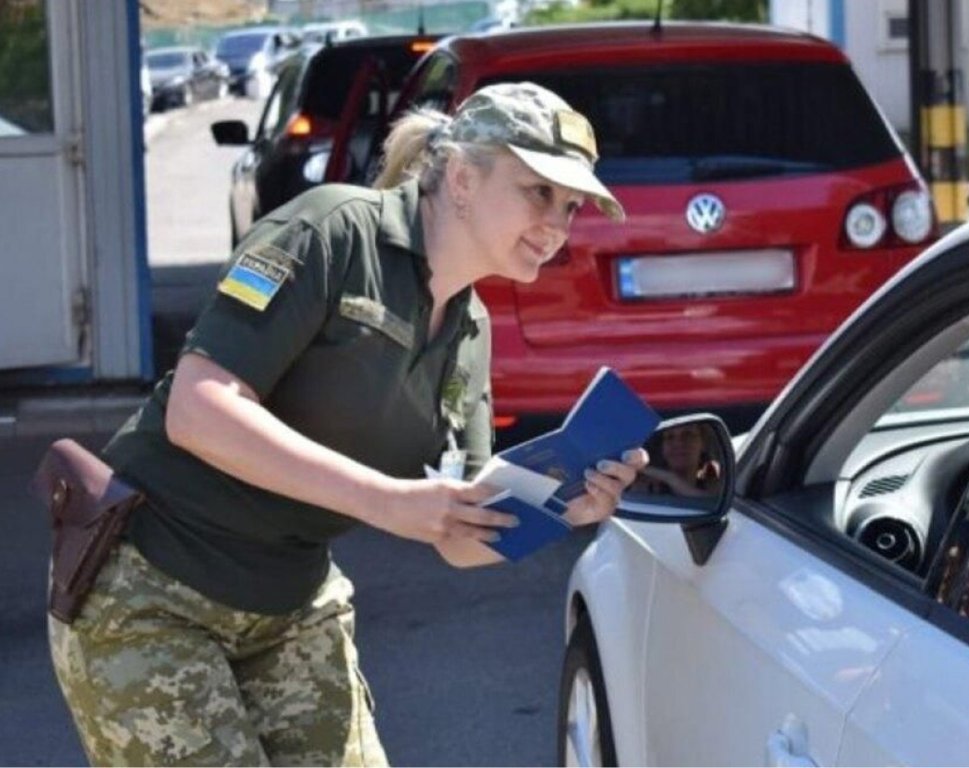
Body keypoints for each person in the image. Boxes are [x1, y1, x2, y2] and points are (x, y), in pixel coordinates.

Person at [48, 82, 646, 766]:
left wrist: (566, 509)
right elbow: (197, 407)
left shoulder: (469, 329)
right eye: (538, 192)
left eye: (570, 206)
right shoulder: (330, 233)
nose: (557, 224)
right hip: (154, 591)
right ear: (459, 177)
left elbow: (458, 537)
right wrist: (387, 501)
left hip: (289, 602)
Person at [634, 422, 722, 499]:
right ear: (662, 448)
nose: (678, 443)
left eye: (688, 434)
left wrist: (671, 479)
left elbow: (709, 502)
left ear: (703, 444)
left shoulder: (715, 487)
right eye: (670, 437)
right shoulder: (647, 488)